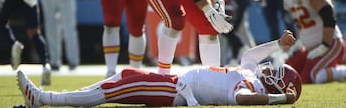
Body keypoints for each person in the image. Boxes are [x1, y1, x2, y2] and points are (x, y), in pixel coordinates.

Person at [17, 30, 302, 107]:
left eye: (277, 74)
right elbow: (251, 54)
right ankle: (44, 98)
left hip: (174, 90)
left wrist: (280, 100)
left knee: (116, 86)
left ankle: (43, 99)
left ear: (278, 86)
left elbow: (243, 99)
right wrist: (278, 43)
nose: (271, 70)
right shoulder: (251, 74)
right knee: (120, 80)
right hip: (175, 83)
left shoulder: (252, 87)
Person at [277, 0, 346, 84]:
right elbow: (300, 23)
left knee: (314, 76)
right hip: (310, 48)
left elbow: (329, 17)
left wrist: (324, 45)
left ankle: (342, 71)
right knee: (286, 73)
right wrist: (299, 43)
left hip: (330, 43)